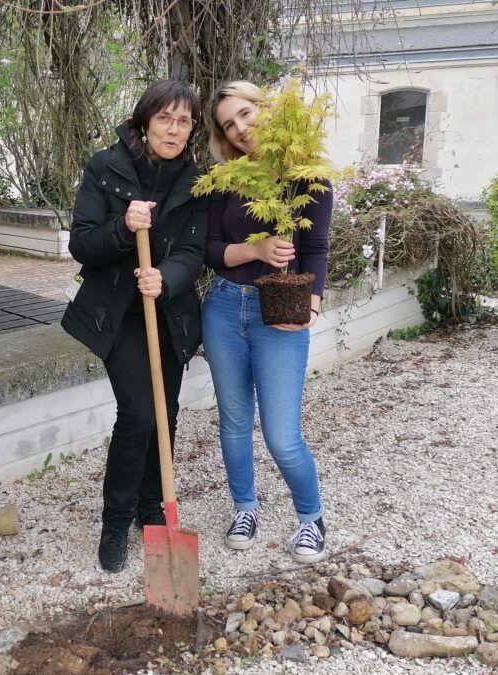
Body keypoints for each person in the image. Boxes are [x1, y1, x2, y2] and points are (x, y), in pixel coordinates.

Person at [61, 80, 207, 573]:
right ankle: (115, 521)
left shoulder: (196, 179)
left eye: (184, 120)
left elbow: (195, 252)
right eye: (165, 118)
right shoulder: (106, 167)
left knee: (165, 415)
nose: (174, 128)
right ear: (145, 123)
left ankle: (152, 508)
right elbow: (82, 244)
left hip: (170, 313)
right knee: (140, 414)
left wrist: (168, 277)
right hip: (118, 315)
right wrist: (124, 227)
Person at [202, 81, 333, 564]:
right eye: (228, 125)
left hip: (278, 312)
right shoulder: (225, 179)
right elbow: (212, 250)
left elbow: (315, 250)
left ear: (266, 110)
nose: (239, 130)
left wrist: (312, 307)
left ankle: (310, 517)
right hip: (221, 308)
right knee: (234, 423)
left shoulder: (308, 177)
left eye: (244, 115)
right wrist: (255, 250)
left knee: (282, 434)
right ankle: (244, 508)